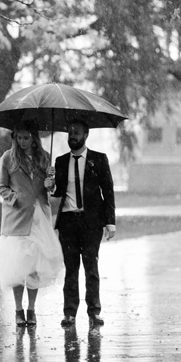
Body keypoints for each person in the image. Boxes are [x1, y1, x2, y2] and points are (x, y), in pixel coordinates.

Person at [0, 121, 64, 328]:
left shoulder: (44, 159)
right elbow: (0, 186)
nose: (22, 141)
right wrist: (15, 197)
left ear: (34, 138)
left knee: (35, 265)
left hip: (39, 215)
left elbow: (50, 191)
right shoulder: (8, 158)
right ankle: (18, 310)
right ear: (14, 137)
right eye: (19, 137)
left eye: (26, 137)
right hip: (17, 217)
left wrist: (51, 184)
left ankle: (31, 309)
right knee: (18, 265)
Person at [47, 119, 116, 328]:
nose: (72, 137)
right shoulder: (59, 162)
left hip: (92, 224)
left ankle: (94, 312)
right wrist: (50, 185)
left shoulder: (100, 160)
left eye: (76, 133)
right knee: (70, 269)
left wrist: (110, 222)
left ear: (86, 135)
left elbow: (108, 191)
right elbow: (57, 192)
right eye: (69, 133)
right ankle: (69, 313)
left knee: (91, 268)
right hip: (68, 223)